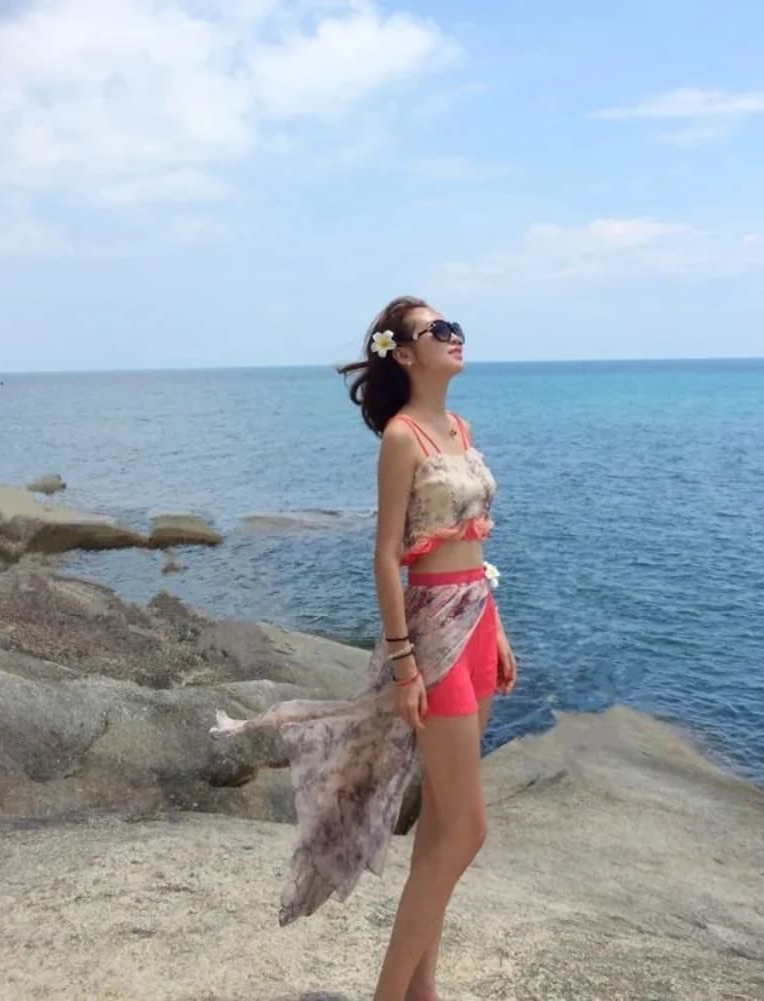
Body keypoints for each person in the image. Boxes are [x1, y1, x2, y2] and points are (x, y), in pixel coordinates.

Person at [210, 295, 517, 1001]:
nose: (455, 336)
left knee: (441, 828)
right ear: (404, 354)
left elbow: (473, 542)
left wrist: (497, 630)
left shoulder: (460, 428)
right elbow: (385, 557)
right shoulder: (403, 438)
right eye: (438, 330)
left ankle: (421, 989)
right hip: (433, 636)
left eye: (455, 326)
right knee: (468, 830)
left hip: (476, 620)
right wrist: (405, 665)